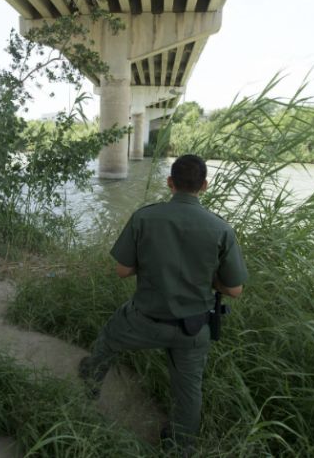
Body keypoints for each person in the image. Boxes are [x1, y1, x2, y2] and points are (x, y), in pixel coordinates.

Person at [78, 154, 248, 454]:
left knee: (108, 339)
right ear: (204, 185)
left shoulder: (145, 217)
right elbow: (234, 289)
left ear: (170, 183)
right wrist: (210, 282)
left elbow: (122, 271)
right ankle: (180, 446)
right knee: (188, 391)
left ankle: (89, 384)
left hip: (144, 320)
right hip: (194, 329)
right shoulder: (221, 229)